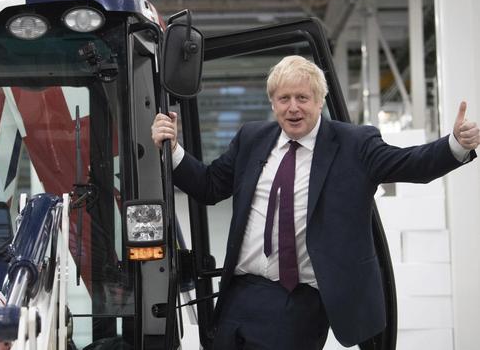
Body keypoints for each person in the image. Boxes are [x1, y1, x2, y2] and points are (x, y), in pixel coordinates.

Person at [151, 55, 479, 349]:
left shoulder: (354, 144)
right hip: (240, 294)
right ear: (273, 102)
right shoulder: (252, 139)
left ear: (319, 101)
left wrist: (455, 145)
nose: (293, 108)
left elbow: (412, 163)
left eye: (302, 98)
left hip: (300, 300)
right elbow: (208, 186)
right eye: (284, 99)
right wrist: (173, 148)